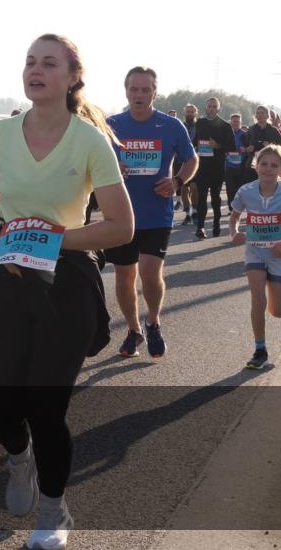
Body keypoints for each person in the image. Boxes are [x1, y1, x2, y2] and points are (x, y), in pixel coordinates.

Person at [0, 34, 132, 550]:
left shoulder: (89, 141)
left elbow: (121, 227)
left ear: (71, 78)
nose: (35, 70)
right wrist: (3, 241)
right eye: (29, 62)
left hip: (68, 279)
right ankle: (19, 460)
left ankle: (53, 511)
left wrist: (54, 238)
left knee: (44, 406)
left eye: (48, 63)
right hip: (11, 275)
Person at [107, 67, 198, 359]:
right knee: (124, 278)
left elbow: (191, 159)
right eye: (134, 89)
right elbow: (93, 162)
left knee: (149, 272)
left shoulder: (171, 126)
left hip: (156, 213)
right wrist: (111, 168)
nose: (139, 95)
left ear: (155, 93)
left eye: (146, 90)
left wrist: (177, 181)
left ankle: (153, 321)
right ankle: (134, 331)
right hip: (120, 214)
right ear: (126, 91)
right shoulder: (111, 125)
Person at [229, 145, 281, 369]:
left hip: (278, 256)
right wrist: (234, 233)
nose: (268, 168)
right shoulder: (246, 191)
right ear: (256, 166)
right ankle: (260, 349)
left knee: (274, 309)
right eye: (264, 163)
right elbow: (234, 217)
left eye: (274, 165)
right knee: (258, 300)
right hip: (254, 251)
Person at [191, 97, 233, 239]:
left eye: (214, 106)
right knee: (201, 197)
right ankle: (200, 227)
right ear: (205, 108)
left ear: (218, 109)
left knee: (215, 197)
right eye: (209, 106)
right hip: (202, 166)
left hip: (217, 167)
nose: (212, 109)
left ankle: (216, 223)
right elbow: (194, 142)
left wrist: (218, 145)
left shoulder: (225, 126)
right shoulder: (200, 123)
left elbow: (232, 147)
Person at [245, 106, 281, 181]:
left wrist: (271, 146)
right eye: (258, 113)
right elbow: (245, 146)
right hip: (253, 165)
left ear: (267, 116)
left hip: (269, 165)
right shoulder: (251, 129)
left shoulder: (274, 130)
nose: (260, 115)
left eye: (262, 113)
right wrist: (248, 148)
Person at [177, 104, 199, 224]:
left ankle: (194, 210)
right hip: (181, 161)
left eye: (192, 112)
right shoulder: (180, 126)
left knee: (195, 188)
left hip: (196, 160)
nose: (189, 114)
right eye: (188, 112)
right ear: (184, 113)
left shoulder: (200, 126)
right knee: (184, 189)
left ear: (196, 113)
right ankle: (188, 213)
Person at [224, 113, 249, 211]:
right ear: (231, 122)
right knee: (230, 188)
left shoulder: (244, 135)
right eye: (234, 121)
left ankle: (239, 207)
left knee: (240, 189)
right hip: (229, 166)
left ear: (240, 122)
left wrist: (245, 149)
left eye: (237, 121)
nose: (235, 123)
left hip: (241, 166)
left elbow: (249, 149)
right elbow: (221, 146)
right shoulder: (226, 134)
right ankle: (231, 208)